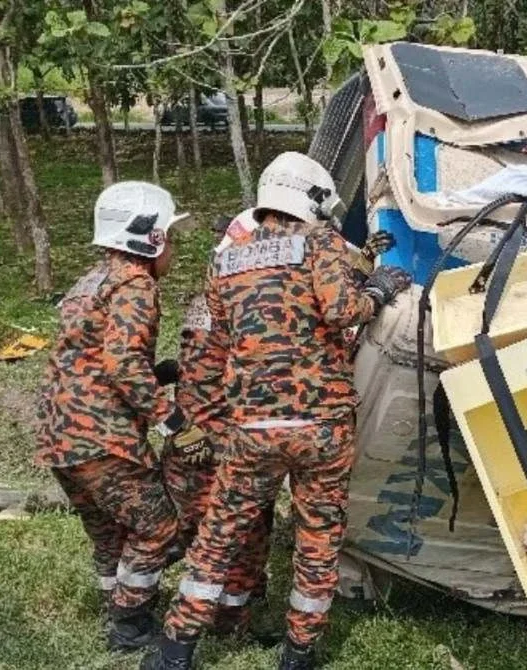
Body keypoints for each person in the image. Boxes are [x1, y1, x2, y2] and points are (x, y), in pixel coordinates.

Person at [141, 152, 412, 670]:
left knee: (219, 535)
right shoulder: (321, 242)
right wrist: (378, 288)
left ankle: (174, 650)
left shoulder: (225, 260)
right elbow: (342, 310)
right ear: (313, 199)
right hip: (321, 428)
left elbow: (213, 347)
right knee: (316, 537)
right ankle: (298, 653)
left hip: (252, 429)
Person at [36, 181, 188, 651]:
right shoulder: (136, 284)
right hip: (102, 439)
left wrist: (156, 373)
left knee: (109, 534)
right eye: (171, 237)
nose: (174, 249)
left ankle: (116, 606)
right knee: (158, 527)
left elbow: (89, 357)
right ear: (151, 238)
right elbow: (121, 363)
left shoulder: (92, 280)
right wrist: (171, 417)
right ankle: (130, 623)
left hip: (61, 438)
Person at [160, 211, 274, 637]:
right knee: (240, 540)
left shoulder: (207, 296)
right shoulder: (238, 300)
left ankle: (235, 600)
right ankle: (228, 622)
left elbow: (199, 368)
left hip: (191, 441)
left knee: (206, 533)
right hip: (216, 447)